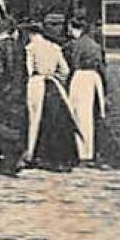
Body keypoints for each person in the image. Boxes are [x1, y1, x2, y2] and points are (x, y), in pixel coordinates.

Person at [25, 22, 79, 171]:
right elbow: (65, 70)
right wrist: (55, 77)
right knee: (56, 121)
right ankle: (58, 157)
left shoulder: (30, 48)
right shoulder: (55, 48)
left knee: (35, 120)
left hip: (37, 83)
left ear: (32, 34)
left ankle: (33, 154)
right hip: (53, 84)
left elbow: (28, 70)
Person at [64, 16, 108, 164]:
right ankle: (91, 150)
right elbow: (103, 67)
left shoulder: (77, 45)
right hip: (95, 78)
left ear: (76, 28)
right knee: (90, 115)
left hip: (80, 78)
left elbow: (73, 65)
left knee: (78, 115)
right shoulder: (95, 45)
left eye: (70, 28)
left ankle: (81, 151)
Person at [0, 16, 28, 176]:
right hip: (19, 89)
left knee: (2, 124)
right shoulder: (20, 46)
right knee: (16, 123)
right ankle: (17, 157)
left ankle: (8, 162)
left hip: (4, 91)